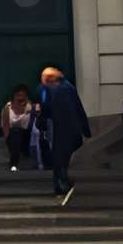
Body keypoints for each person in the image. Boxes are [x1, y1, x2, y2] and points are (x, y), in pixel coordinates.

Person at [39, 63, 90, 206]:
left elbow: (52, 109)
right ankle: (62, 186)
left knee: (61, 159)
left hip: (63, 131)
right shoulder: (65, 88)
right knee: (63, 159)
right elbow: (78, 109)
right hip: (66, 130)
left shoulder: (60, 90)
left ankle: (62, 187)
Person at [0, 83, 37, 171]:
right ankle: (14, 163)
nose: (20, 97)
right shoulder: (7, 108)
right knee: (15, 132)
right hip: (13, 136)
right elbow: (5, 126)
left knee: (18, 131)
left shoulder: (30, 107)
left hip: (27, 135)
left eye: (22, 95)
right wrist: (7, 138)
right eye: (17, 95)